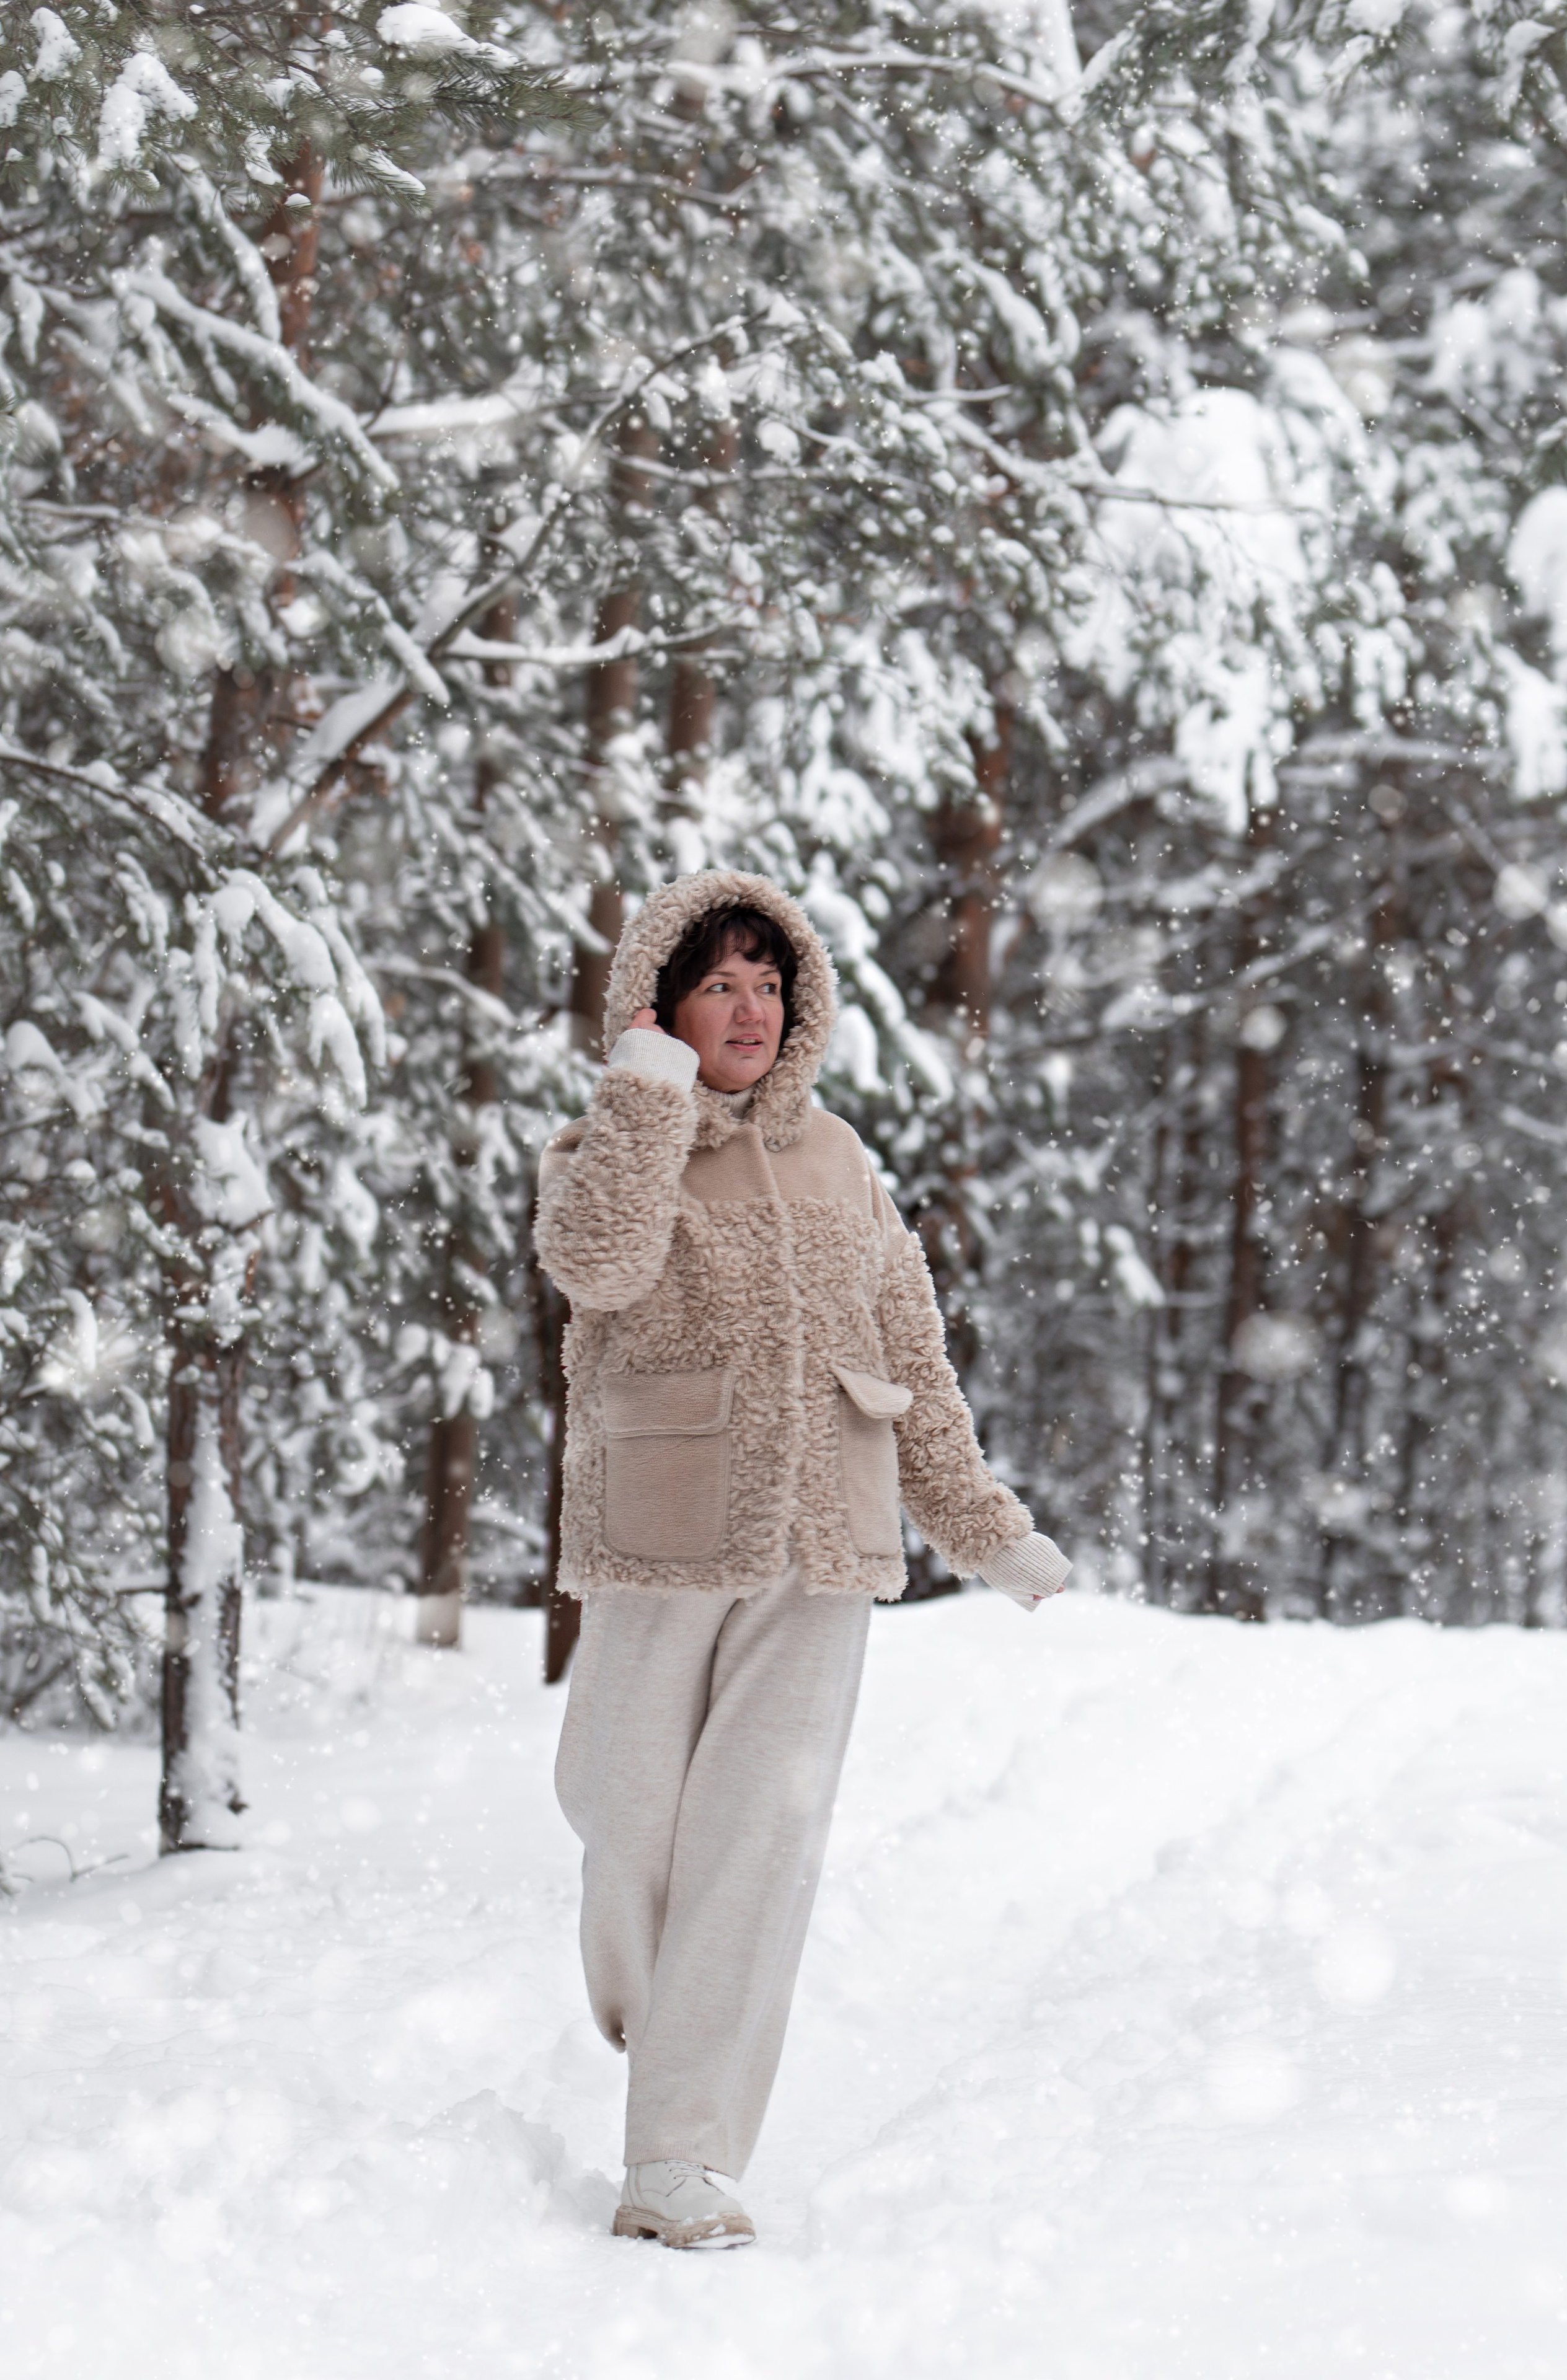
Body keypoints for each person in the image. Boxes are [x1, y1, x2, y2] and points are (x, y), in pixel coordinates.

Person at [536, 870, 1070, 2250]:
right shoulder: (613, 1137)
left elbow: (911, 1358)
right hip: (662, 1534)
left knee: (758, 1843)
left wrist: (984, 1528)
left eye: (768, 985)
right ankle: (653, 2013)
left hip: (824, 1539)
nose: (750, 1010)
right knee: (625, 1820)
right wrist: (650, 1092)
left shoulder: (841, 1161)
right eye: (718, 983)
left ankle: (678, 2154)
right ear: (662, 1005)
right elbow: (594, 1268)